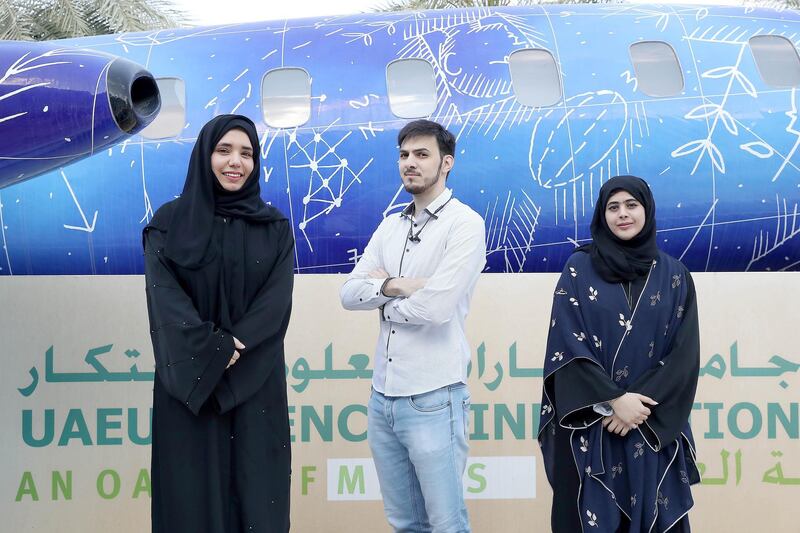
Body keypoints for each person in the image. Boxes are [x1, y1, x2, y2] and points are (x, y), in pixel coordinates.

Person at [143, 114, 294, 533]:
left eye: (246, 153)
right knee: (191, 502)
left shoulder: (275, 228)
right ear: (204, 155)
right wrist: (213, 350)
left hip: (255, 383)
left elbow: (275, 304)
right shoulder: (168, 225)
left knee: (257, 497)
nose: (235, 162)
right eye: (224, 150)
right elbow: (165, 299)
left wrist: (233, 346)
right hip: (190, 389)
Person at [340, 119, 486, 532]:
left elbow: (437, 308)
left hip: (434, 397)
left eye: (422, 154)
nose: (410, 163)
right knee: (404, 522)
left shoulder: (465, 224)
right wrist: (399, 285)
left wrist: (382, 301)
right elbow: (349, 293)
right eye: (404, 155)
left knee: (446, 523)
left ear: (446, 163)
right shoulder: (391, 225)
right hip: (381, 397)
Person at [538, 175, 700, 533]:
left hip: (650, 423)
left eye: (631, 205)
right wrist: (613, 401)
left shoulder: (675, 275)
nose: (622, 214)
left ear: (647, 210)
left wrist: (635, 408)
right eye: (613, 207)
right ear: (602, 214)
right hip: (592, 425)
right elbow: (566, 347)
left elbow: (683, 356)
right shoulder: (578, 269)